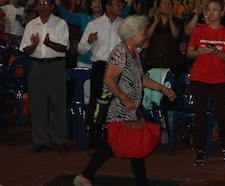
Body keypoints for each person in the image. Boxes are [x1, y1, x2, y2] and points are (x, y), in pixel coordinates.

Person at [73, 15, 176, 186]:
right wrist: (126, 100)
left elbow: (140, 79)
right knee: (128, 145)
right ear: (133, 34)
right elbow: (108, 79)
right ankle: (140, 182)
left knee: (115, 145)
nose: (145, 36)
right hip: (119, 107)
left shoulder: (133, 53)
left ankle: (85, 176)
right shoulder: (121, 52)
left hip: (127, 107)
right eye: (143, 33)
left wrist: (163, 89)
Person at [186, 0, 225, 166]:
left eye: (215, 9)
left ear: (222, 13)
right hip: (199, 77)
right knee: (199, 115)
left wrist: (215, 51)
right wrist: (199, 51)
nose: (211, 12)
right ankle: (200, 150)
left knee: (221, 115)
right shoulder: (199, 31)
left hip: (218, 78)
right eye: (209, 9)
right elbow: (189, 53)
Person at [19, 0, 70, 154]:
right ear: (35, 7)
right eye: (40, 3)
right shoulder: (31, 25)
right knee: (37, 104)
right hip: (37, 66)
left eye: (46, 3)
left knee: (57, 103)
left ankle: (60, 140)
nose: (43, 6)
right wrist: (34, 46)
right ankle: (41, 141)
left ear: (52, 6)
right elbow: (25, 49)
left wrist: (49, 43)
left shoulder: (60, 23)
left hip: (56, 65)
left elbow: (64, 48)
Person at [78, 0, 126, 148]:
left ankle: (114, 138)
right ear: (108, 7)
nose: (121, 6)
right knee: (97, 104)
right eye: (117, 4)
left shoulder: (124, 24)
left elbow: (135, 49)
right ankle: (94, 138)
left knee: (117, 103)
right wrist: (89, 41)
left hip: (119, 68)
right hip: (100, 67)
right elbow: (81, 49)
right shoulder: (94, 24)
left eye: (121, 4)